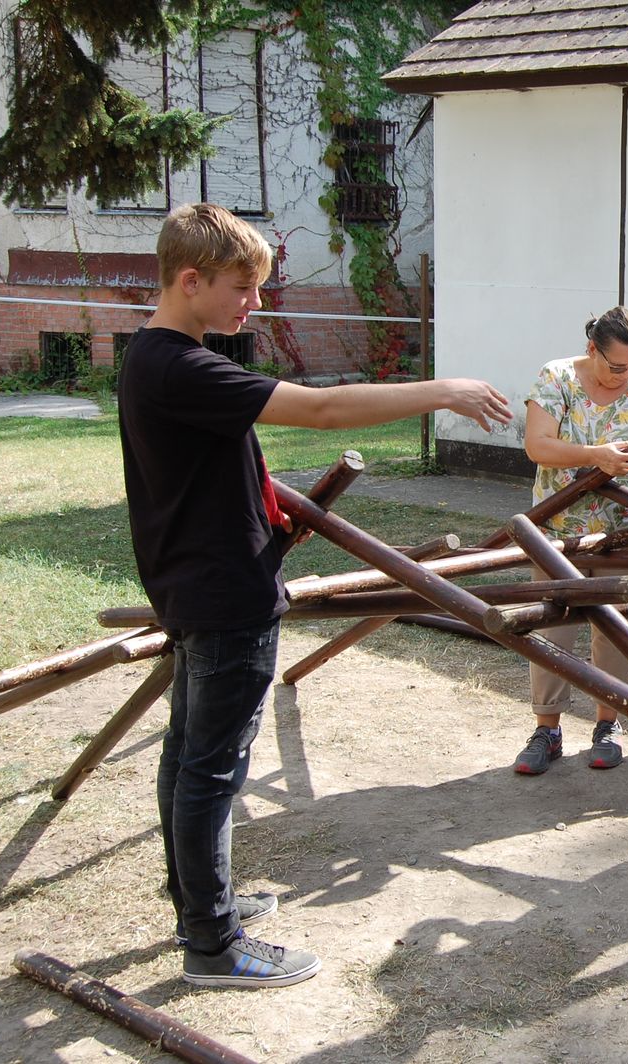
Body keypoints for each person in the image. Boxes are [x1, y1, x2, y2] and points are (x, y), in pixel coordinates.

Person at [119, 202, 512, 988]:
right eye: (241, 287)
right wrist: (442, 390)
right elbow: (323, 408)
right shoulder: (184, 367)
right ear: (190, 281)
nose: (254, 302)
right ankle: (214, 945)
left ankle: (199, 904)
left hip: (194, 588)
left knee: (188, 757)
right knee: (211, 769)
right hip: (225, 598)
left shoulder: (151, 358)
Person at [514, 306, 628, 775]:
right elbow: (537, 446)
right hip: (557, 533)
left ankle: (609, 723)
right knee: (552, 629)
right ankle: (547, 729)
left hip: (624, 535)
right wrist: (596, 456)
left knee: (615, 631)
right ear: (592, 349)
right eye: (616, 366)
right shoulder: (558, 378)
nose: (625, 376)